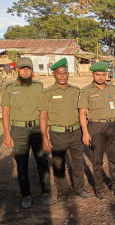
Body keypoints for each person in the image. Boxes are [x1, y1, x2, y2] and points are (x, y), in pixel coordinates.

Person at [78, 62, 115, 200]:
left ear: (106, 75)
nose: (100, 77)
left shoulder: (111, 88)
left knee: (114, 158)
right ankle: (99, 188)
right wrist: (85, 133)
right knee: (97, 160)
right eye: (98, 74)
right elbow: (82, 113)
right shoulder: (86, 91)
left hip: (112, 126)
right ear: (93, 75)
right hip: (95, 127)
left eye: (103, 74)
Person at [1, 57, 50, 208]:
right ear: (17, 70)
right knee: (21, 163)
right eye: (22, 69)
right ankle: (26, 195)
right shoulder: (9, 88)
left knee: (42, 160)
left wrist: (45, 133)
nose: (25, 71)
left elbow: (44, 111)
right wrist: (7, 134)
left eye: (28, 68)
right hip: (18, 130)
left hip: (37, 129)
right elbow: (6, 113)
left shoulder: (39, 86)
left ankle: (46, 192)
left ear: (32, 70)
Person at [39, 58, 90, 201]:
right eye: (59, 73)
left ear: (68, 74)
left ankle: (79, 189)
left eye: (65, 73)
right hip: (57, 134)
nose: (62, 76)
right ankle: (62, 192)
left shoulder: (76, 91)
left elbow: (83, 111)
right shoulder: (47, 93)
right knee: (58, 164)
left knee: (78, 163)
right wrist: (44, 136)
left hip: (75, 133)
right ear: (54, 74)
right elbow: (43, 116)